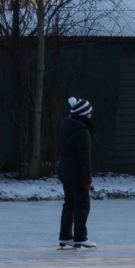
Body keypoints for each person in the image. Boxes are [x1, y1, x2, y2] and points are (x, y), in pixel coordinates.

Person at [58, 97, 96, 250]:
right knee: (82, 205)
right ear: (84, 114)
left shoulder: (66, 126)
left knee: (69, 204)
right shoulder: (82, 130)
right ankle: (80, 237)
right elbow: (84, 157)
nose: (91, 115)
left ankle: (65, 236)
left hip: (65, 171)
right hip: (77, 174)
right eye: (89, 112)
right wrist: (87, 178)